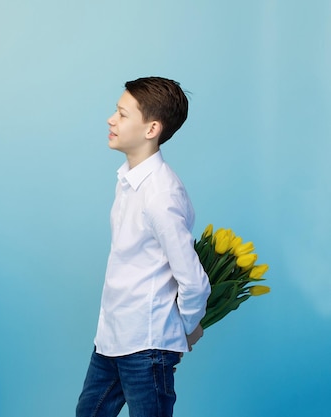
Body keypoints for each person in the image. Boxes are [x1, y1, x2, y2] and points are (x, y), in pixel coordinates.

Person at [76, 77, 211, 417]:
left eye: (122, 114)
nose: (111, 119)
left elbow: (193, 281)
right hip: (112, 339)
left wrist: (183, 327)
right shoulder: (128, 181)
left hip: (146, 346)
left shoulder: (161, 195)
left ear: (151, 128)